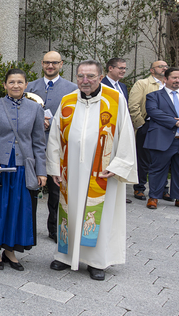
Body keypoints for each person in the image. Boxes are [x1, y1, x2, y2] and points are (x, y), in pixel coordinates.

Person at [47, 60, 137, 281]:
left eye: (90, 76)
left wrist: (118, 165)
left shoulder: (115, 100)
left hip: (102, 171)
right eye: (80, 76)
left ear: (99, 77)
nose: (84, 81)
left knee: (99, 216)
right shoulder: (68, 100)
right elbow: (55, 136)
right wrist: (54, 167)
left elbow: (126, 134)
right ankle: (66, 256)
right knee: (70, 211)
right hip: (71, 170)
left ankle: (97, 261)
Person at [0, 69, 46, 272]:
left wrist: (42, 171)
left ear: (26, 85)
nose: (16, 85)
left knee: (18, 209)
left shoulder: (35, 109)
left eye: (20, 82)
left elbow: (39, 143)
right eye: (11, 82)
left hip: (23, 167)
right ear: (5, 85)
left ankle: (10, 250)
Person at [24, 51, 77, 242]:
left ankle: (54, 229)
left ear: (61, 64)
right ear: (41, 63)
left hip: (59, 146)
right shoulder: (29, 87)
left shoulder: (73, 89)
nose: (50, 66)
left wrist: (54, 122)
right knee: (31, 187)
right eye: (47, 62)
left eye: (54, 63)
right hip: (33, 146)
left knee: (56, 190)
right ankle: (28, 228)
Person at [143, 67, 179, 210]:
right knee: (157, 169)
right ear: (165, 79)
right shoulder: (154, 96)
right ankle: (153, 197)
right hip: (162, 140)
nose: (178, 81)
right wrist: (176, 122)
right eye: (174, 78)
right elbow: (154, 112)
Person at [129, 60, 168, 201]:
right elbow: (133, 105)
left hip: (167, 128)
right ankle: (139, 188)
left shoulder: (169, 85)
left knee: (163, 159)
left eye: (165, 66)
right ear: (152, 70)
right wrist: (140, 125)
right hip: (148, 126)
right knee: (143, 159)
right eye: (160, 66)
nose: (164, 68)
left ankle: (163, 189)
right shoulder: (142, 84)